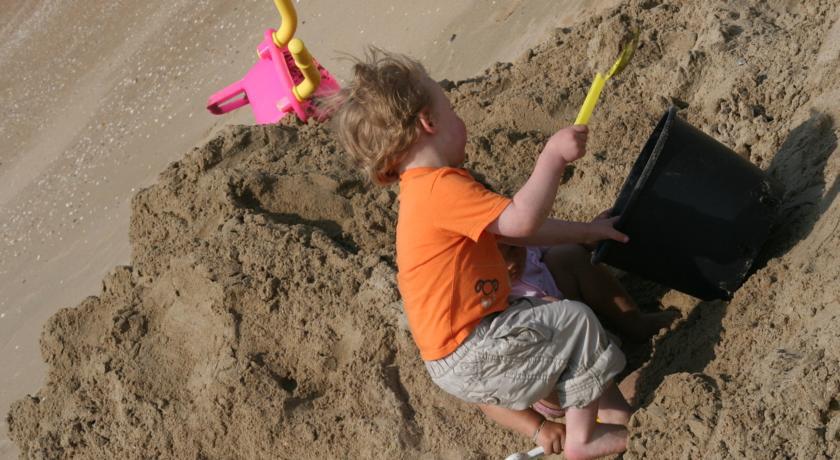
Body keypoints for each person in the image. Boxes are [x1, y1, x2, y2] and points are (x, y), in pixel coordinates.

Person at [331, 49, 632, 459]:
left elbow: (521, 233)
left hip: (457, 355)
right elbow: (523, 221)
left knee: (560, 329)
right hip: (473, 347)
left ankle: (598, 420)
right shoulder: (439, 188)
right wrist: (553, 157)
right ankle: (582, 441)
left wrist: (586, 232)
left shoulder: (424, 193)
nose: (462, 122)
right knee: (575, 321)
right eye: (452, 112)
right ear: (429, 122)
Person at [499, 242, 677, 343]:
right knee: (549, 310)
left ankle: (634, 322)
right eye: (495, 260)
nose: (510, 263)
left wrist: (589, 235)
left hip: (573, 307)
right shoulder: (486, 293)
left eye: (513, 249)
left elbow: (555, 241)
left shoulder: (520, 237)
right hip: (544, 340)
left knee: (568, 254)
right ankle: (600, 354)